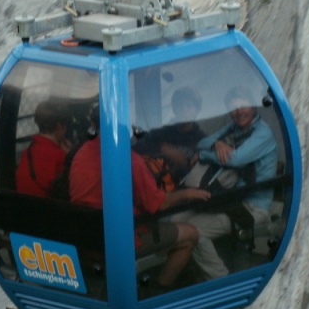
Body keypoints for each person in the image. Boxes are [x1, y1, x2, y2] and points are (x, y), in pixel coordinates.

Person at [69, 107, 210, 292]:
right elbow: (160, 204)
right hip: (120, 240)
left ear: (94, 125)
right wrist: (188, 193)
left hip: (87, 237)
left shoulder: (82, 153)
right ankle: (158, 292)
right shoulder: (129, 159)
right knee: (190, 234)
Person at [171, 85, 278, 280]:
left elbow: (234, 159)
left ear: (254, 107)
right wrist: (215, 144)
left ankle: (221, 280)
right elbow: (201, 143)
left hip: (252, 207)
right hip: (227, 198)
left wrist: (204, 154)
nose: (239, 112)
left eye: (243, 106)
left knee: (194, 232)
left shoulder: (263, 134)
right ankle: (189, 270)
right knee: (174, 221)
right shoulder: (233, 129)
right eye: (234, 109)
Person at [134, 86, 206, 186]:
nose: (183, 110)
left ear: (197, 110)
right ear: (174, 109)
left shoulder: (203, 139)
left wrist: (183, 162)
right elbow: (135, 149)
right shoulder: (160, 133)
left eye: (188, 106)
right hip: (155, 187)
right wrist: (162, 149)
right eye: (179, 105)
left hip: (185, 190)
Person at [16, 100, 72, 197]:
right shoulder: (60, 155)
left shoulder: (27, 152)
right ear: (59, 126)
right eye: (66, 126)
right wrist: (71, 157)